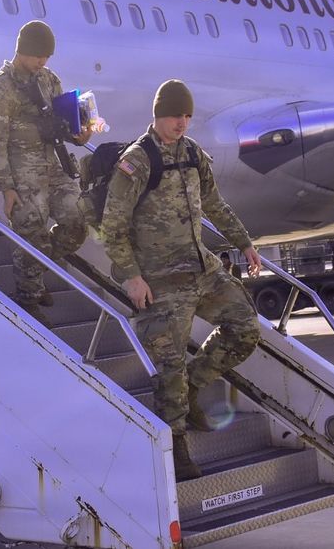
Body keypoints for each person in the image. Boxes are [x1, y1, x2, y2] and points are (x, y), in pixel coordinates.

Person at [101, 79, 262, 481]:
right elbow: (112, 226)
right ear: (158, 115)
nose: (182, 123)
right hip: (161, 278)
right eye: (176, 116)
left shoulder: (193, 155)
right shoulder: (137, 162)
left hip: (201, 269)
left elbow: (215, 204)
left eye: (187, 116)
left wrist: (245, 244)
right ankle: (175, 448)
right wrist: (132, 278)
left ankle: (196, 385)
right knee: (169, 368)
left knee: (245, 328)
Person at [0, 21, 92, 319]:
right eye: (37, 56)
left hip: (52, 166)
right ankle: (27, 299)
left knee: (79, 220)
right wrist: (6, 187)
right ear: (21, 51)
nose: (42, 62)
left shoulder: (48, 79)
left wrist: (79, 134)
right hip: (21, 173)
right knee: (33, 234)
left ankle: (35, 267)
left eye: (47, 57)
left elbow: (61, 122)